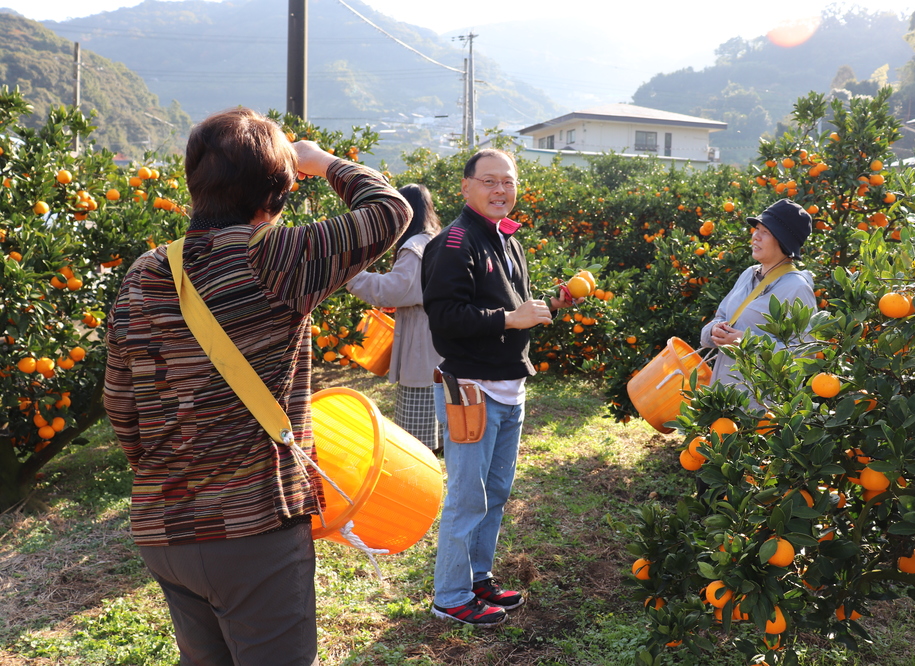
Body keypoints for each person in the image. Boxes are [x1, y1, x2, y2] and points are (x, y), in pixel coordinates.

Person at [103, 107, 411, 666]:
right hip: (252, 528)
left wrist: (169, 477)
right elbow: (390, 210)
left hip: (164, 529)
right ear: (278, 190)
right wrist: (323, 162)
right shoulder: (275, 256)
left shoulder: (144, 272)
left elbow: (120, 405)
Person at [421, 148, 575, 628]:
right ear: (466, 187)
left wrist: (542, 307)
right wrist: (511, 318)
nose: (499, 190)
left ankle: (477, 577)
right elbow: (444, 318)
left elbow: (507, 306)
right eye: (488, 181)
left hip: (509, 385)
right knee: (468, 495)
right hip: (472, 388)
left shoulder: (506, 239)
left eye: (507, 182)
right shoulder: (453, 243)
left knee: (496, 490)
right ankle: (449, 594)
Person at [346, 184, 444, 451]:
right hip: (439, 340)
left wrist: (350, 275)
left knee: (416, 435)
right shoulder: (436, 239)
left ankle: (422, 472)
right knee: (439, 407)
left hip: (422, 344)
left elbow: (395, 292)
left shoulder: (414, 247)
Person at [700, 198, 816, 411]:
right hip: (724, 397)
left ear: (784, 240)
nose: (755, 236)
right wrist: (714, 330)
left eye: (766, 232)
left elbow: (805, 355)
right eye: (756, 229)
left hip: (761, 407)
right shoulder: (748, 274)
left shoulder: (797, 288)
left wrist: (747, 342)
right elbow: (722, 315)